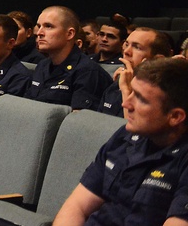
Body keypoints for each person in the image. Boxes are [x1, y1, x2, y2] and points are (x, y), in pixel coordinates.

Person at [55, 57, 188, 226]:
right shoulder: (123, 137)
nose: (126, 104)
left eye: (140, 99)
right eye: (130, 92)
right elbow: (77, 206)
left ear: (175, 116)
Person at [24, 6, 111, 109]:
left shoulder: (88, 72)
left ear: (69, 34)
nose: (39, 33)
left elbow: (77, 121)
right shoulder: (42, 66)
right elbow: (27, 106)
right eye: (39, 26)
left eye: (48, 26)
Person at [97, 27, 174, 116]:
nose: (126, 51)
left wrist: (126, 91)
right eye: (126, 44)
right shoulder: (116, 85)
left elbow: (132, 128)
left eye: (137, 47)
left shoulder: (161, 95)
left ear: (157, 60)